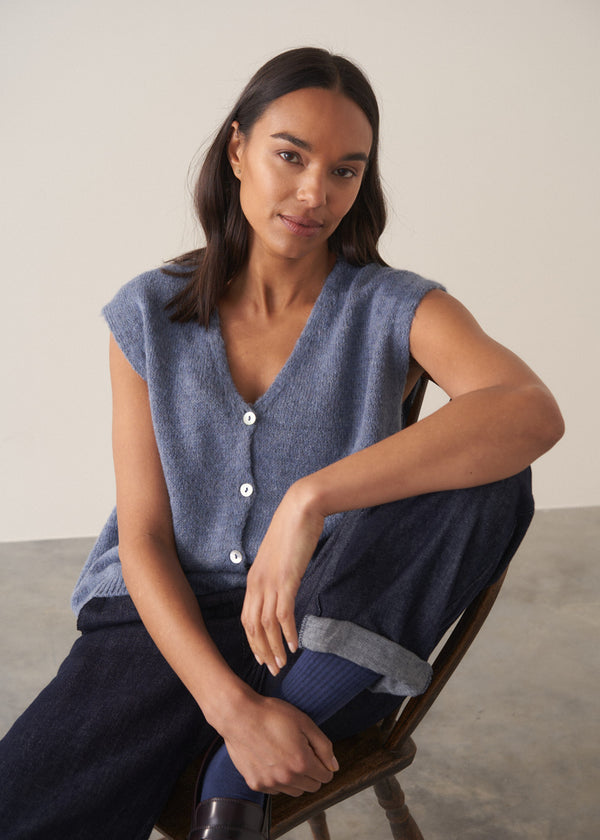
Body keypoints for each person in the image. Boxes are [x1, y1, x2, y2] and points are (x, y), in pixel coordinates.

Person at [0, 47, 563, 840]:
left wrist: (312, 500)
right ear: (237, 150)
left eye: (345, 170)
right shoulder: (149, 317)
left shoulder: (392, 307)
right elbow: (146, 539)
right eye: (290, 156)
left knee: (495, 474)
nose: (314, 192)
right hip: (164, 631)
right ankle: (244, 744)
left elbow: (532, 411)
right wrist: (233, 710)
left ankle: (235, 780)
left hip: (324, 626)